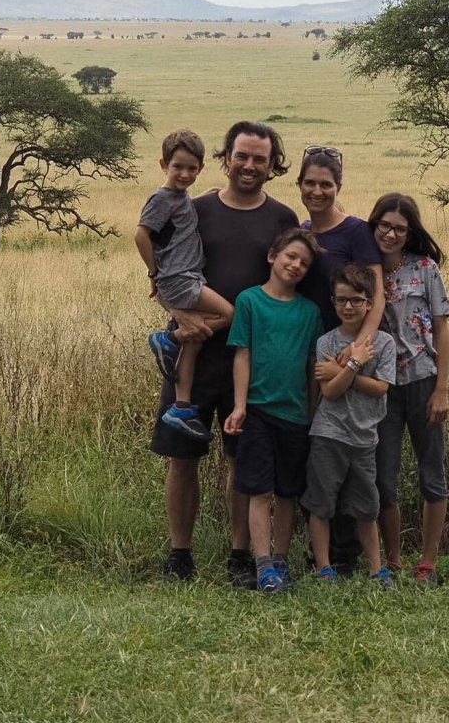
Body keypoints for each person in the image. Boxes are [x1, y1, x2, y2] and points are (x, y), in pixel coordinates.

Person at [149, 121, 299, 586]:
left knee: (245, 462)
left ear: (273, 165)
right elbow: (160, 270)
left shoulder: (283, 220)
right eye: (242, 156)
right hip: (191, 353)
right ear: (226, 158)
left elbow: (294, 283)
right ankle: (180, 556)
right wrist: (179, 315)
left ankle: (239, 557)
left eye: (260, 158)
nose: (249, 166)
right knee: (182, 457)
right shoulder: (192, 209)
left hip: (248, 362)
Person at [296, 145, 385, 573]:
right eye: (310, 183)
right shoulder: (301, 232)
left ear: (338, 187)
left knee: (345, 442)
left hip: (350, 346)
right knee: (318, 439)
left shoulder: (355, 232)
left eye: (325, 184)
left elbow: (376, 291)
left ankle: (348, 557)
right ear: (299, 185)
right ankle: (321, 556)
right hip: (310, 343)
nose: (317, 191)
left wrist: (358, 350)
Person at [223, 228, 323, 593]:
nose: (296, 265)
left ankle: (281, 562)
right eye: (290, 257)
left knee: (287, 493)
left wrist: (312, 412)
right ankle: (262, 564)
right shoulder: (249, 302)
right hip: (257, 412)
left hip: (296, 415)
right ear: (272, 257)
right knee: (258, 490)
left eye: (304, 263)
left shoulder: (310, 312)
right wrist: (239, 406)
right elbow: (242, 354)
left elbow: (313, 365)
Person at [368, 193, 449, 586]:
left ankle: (428, 563)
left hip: (422, 379)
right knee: (383, 477)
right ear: (374, 225)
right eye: (384, 225)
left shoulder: (425, 268)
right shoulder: (365, 270)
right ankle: (394, 560)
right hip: (381, 385)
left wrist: (442, 389)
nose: (390, 233)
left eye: (399, 228)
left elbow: (442, 328)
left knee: (431, 473)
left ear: (410, 232)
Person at [135, 129, 234, 442]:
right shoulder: (162, 198)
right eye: (178, 167)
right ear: (163, 164)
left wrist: (208, 195)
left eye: (192, 168)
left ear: (201, 169)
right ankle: (168, 338)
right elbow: (140, 235)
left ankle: (181, 406)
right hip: (180, 279)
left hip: (186, 277)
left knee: (196, 341)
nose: (185, 174)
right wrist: (155, 273)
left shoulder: (179, 196)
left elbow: (182, 212)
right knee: (229, 314)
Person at [301, 264, 397, 585]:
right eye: (341, 300)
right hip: (328, 434)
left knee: (367, 506)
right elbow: (329, 391)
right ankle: (324, 567)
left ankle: (376, 567)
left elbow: (382, 387)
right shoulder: (326, 343)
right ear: (333, 302)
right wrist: (356, 364)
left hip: (365, 437)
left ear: (370, 303)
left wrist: (345, 369)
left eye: (356, 300)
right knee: (321, 502)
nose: (349, 307)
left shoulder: (383, 344)